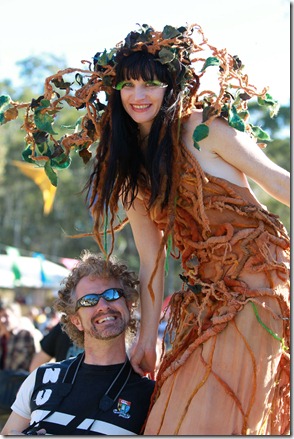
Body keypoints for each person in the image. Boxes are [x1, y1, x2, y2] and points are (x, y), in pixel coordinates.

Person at [1, 23, 290, 435]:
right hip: (201, 299)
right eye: (129, 84)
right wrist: (145, 340)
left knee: (212, 414)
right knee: (164, 417)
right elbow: (152, 263)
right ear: (116, 91)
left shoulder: (204, 131)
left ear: (169, 88)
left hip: (257, 281)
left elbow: (280, 184)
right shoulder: (133, 172)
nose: (139, 96)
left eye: (151, 84)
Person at [1, 251, 155, 435]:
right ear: (76, 320)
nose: (103, 305)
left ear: (129, 305)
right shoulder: (42, 378)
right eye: (89, 300)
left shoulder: (150, 395)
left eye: (113, 294)